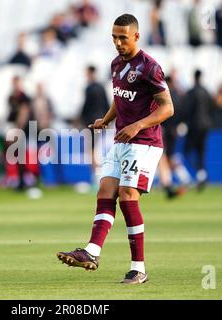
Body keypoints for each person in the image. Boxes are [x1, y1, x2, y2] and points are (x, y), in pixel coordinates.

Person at [57, 14, 174, 284]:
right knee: (106, 190)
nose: (118, 42)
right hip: (121, 141)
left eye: (123, 37)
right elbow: (119, 97)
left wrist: (138, 125)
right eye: (114, 37)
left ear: (136, 36)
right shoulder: (115, 64)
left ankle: (139, 268)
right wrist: (106, 120)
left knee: (127, 196)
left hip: (144, 143)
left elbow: (168, 108)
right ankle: (91, 252)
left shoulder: (150, 67)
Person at [182, 70, 213, 191]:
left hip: (194, 126)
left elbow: (187, 110)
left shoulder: (191, 92)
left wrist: (184, 122)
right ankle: (202, 176)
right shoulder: (206, 92)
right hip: (205, 126)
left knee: (187, 151)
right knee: (201, 152)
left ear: (194, 77)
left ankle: (198, 176)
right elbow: (212, 108)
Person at [77, 65, 110, 182]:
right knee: (99, 149)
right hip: (102, 122)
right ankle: (99, 177)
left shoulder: (89, 88)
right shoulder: (101, 87)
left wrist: (79, 119)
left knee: (92, 150)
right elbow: (107, 105)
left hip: (91, 123)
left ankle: (96, 178)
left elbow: (85, 107)